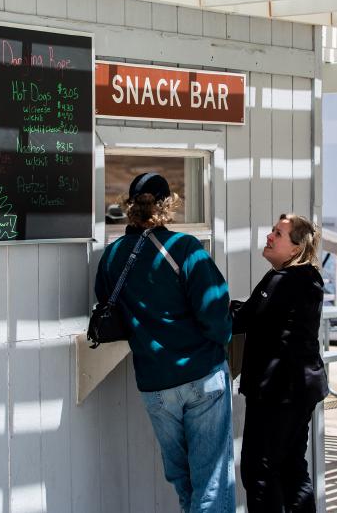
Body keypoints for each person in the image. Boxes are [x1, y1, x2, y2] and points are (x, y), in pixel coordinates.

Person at [94, 172, 235, 513]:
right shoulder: (185, 249)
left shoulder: (112, 257)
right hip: (202, 375)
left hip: (155, 383)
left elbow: (107, 306)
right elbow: (217, 316)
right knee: (212, 483)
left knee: (183, 479)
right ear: (169, 206)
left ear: (130, 208)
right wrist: (221, 339)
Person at [230, 213, 328, 512]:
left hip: (278, 391)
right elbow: (262, 312)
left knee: (258, 471)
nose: (269, 237)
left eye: (278, 234)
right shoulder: (311, 277)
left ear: (296, 248)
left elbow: (241, 320)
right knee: (292, 467)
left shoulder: (281, 279)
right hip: (303, 388)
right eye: (272, 230)